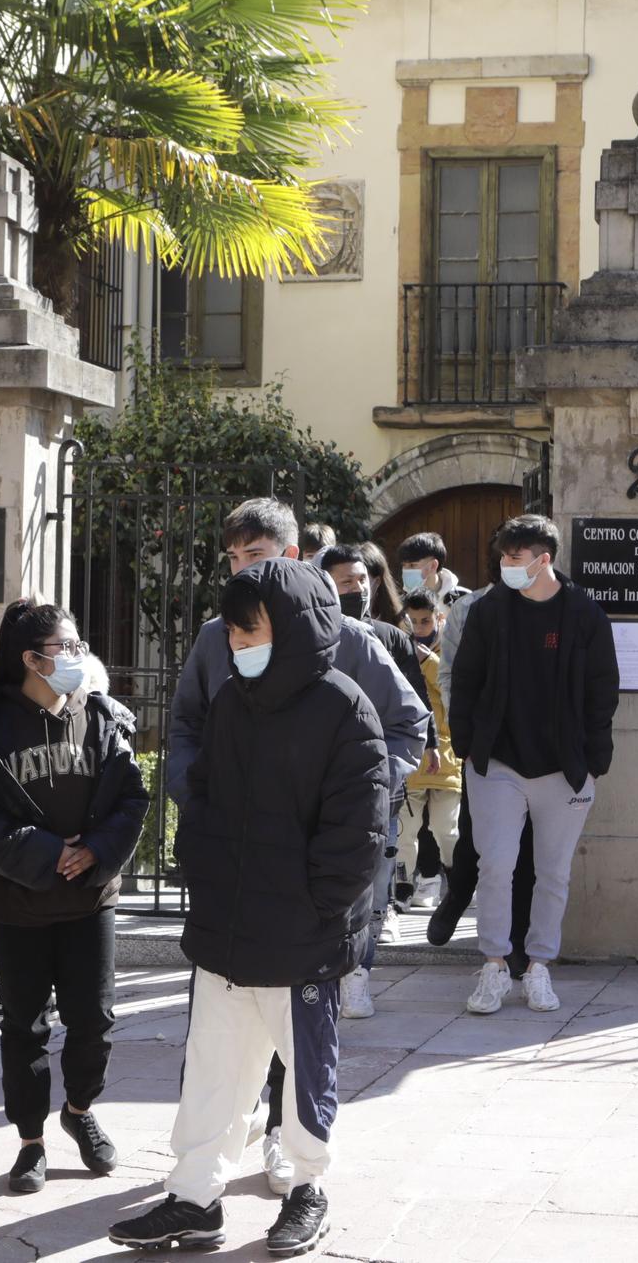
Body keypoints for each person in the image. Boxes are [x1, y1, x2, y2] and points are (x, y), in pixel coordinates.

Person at [109, 560, 387, 1257]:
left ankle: (306, 1189)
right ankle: (194, 1198)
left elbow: (358, 836)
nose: (235, 641)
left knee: (304, 1076)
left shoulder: (345, 709)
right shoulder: (233, 701)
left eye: (248, 627)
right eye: (230, 629)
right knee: (212, 1074)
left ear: (288, 628)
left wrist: (314, 909)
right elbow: (202, 796)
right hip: (226, 934)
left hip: (301, 941)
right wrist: (205, 869)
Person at [165, 498, 427, 1197]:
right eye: (233, 559)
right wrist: (198, 815)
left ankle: (296, 1159)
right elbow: (189, 732)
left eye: (254, 557)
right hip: (233, 896)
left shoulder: (347, 658)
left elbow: (404, 730)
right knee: (218, 1050)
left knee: (300, 1047)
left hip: (304, 903)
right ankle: (197, 1186)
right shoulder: (220, 648)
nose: (241, 571)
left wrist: (361, 794)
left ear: (287, 558)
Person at [0, 601, 147, 1195]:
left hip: (91, 900)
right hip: (17, 905)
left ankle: (81, 1111)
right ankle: (30, 1141)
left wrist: (97, 852)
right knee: (24, 1026)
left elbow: (133, 798)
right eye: (67, 647)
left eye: (79, 645)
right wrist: (44, 853)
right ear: (30, 659)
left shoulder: (105, 717)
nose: (78, 657)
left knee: (94, 1019)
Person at [450, 515, 620, 1015]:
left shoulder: (584, 613)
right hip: (496, 763)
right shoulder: (488, 612)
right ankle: (496, 965)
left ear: (544, 559)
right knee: (496, 864)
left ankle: (540, 966)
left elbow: (601, 692)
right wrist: (467, 746)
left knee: (553, 872)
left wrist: (593, 763)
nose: (505, 566)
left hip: (564, 768)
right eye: (503, 557)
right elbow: (467, 680)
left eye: (515, 558)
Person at [319, 543, 432, 1013]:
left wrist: (381, 776)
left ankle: (358, 975)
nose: (357, 588)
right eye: (346, 581)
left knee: (375, 886)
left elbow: (411, 714)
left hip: (374, 793)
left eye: (362, 580)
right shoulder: (298, 638)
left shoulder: (385, 637)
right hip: (317, 792)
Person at [428, 569, 536, 976]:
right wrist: (468, 738)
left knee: (526, 849)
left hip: (536, 750)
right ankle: (456, 897)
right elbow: (451, 675)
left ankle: (517, 945)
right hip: (486, 750)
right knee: (476, 838)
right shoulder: (470, 609)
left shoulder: (554, 606)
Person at [399, 588, 460, 912]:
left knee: (445, 827)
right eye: (413, 622)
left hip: (446, 756)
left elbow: (455, 689)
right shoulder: (399, 648)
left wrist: (429, 660)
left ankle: (457, 883)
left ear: (438, 618)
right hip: (411, 755)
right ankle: (402, 889)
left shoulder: (447, 650)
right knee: (404, 831)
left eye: (425, 621)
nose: (419, 628)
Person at [396, 531, 471, 608]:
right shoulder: (398, 605)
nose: (406, 571)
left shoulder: (464, 600)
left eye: (412, 565)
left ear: (433, 566)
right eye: (404, 565)